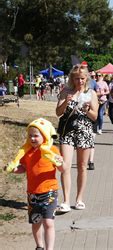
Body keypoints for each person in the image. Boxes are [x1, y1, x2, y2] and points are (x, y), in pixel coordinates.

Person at [4, 118, 64, 250]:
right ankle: (39, 246)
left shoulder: (52, 150)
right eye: (30, 135)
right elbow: (24, 168)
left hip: (49, 192)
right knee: (36, 222)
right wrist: (13, 169)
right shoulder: (27, 153)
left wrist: (61, 161)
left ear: (45, 136)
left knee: (48, 222)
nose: (32, 138)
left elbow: (62, 169)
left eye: (36, 135)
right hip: (33, 193)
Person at [55, 64, 98, 213]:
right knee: (65, 166)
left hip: (84, 131)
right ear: (71, 78)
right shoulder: (65, 91)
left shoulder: (91, 93)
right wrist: (66, 101)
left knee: (81, 166)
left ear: (86, 78)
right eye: (76, 78)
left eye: (82, 78)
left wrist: (87, 111)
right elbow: (58, 112)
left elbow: (95, 116)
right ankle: (66, 201)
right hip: (67, 131)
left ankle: (79, 199)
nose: (79, 81)